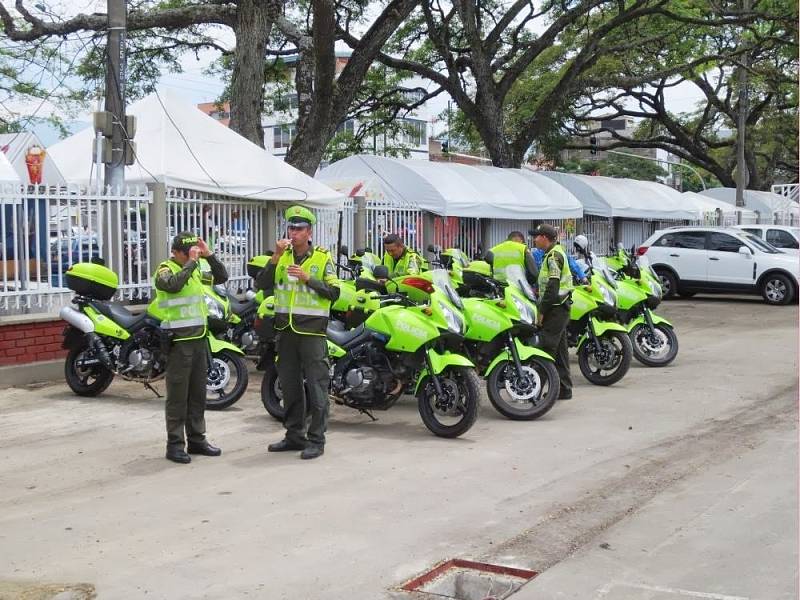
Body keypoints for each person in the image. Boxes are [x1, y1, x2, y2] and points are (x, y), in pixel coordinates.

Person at [256, 206, 339, 460]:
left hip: (312, 332)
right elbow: (261, 284)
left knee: (317, 387)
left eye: (299, 228)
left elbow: (334, 293)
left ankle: (316, 439)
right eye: (291, 227)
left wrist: (307, 279)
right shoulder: (281, 256)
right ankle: (294, 435)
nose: (294, 232)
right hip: (286, 331)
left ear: (309, 232)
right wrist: (275, 257)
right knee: (290, 386)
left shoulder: (323, 258)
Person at [151, 232, 227, 464]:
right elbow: (172, 286)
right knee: (177, 397)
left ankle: (197, 439)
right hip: (179, 342)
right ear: (175, 252)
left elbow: (221, 276)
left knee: (197, 395)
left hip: (199, 339)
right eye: (187, 253)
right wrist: (192, 262)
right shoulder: (166, 269)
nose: (191, 256)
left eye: (193, 252)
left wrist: (209, 254)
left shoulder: (196, 268)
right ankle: (174, 445)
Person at [531, 223, 574, 400]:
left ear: (545, 238)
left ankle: (535, 391)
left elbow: (553, 285)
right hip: (560, 307)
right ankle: (564, 389)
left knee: (545, 347)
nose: (534, 239)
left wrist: (542, 311)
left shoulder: (553, 256)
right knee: (562, 352)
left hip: (556, 308)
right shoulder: (552, 253)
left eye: (537, 237)